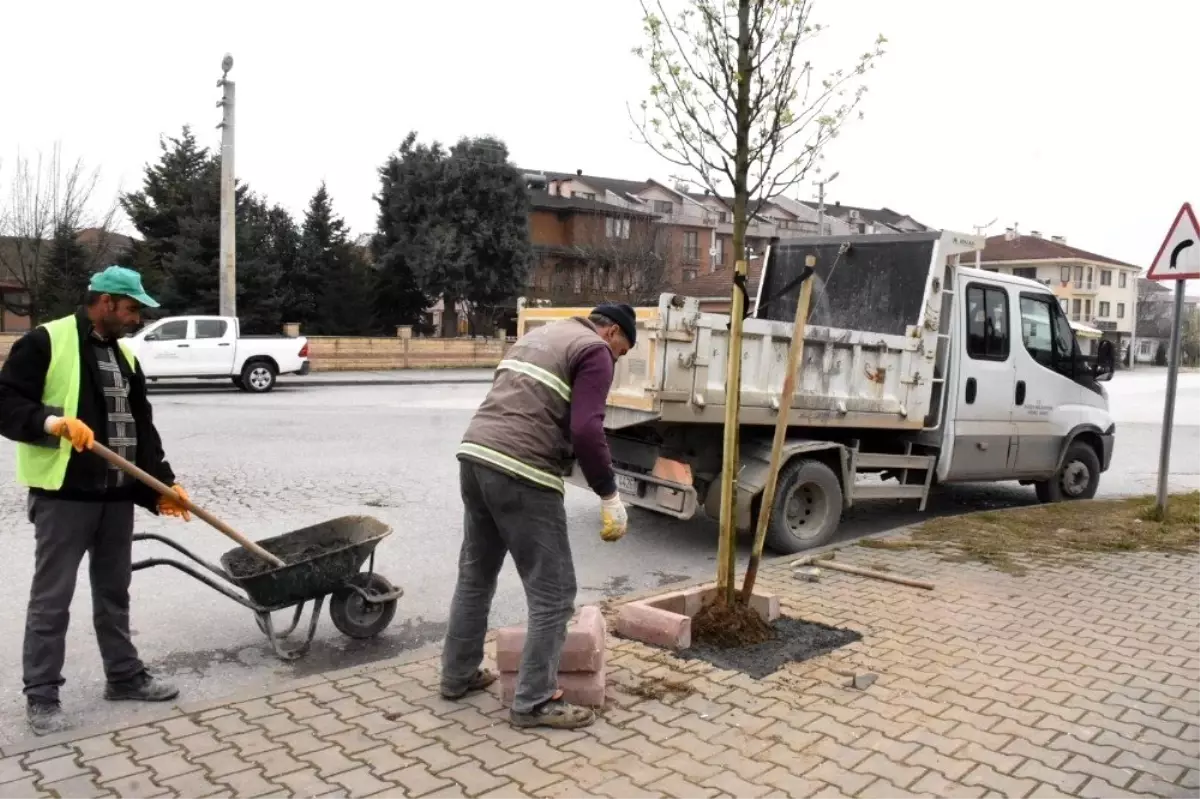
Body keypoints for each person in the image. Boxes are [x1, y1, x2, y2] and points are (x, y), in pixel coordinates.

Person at [0, 266, 192, 736]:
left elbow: (140, 429)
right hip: (65, 497)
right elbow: (4, 402)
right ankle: (42, 697)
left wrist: (163, 486)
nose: (137, 318)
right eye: (132, 309)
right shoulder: (47, 341)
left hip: (116, 498)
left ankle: (123, 677)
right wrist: (52, 422)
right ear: (106, 302)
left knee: (113, 592)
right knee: (52, 600)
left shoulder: (125, 356)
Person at [441, 303, 635, 729]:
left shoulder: (541, 335)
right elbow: (587, 429)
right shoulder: (594, 350)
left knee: (475, 577)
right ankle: (534, 702)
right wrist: (608, 495)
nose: (617, 360)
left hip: (475, 457)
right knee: (554, 593)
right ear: (612, 333)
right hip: (522, 469)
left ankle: (456, 676)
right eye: (622, 351)